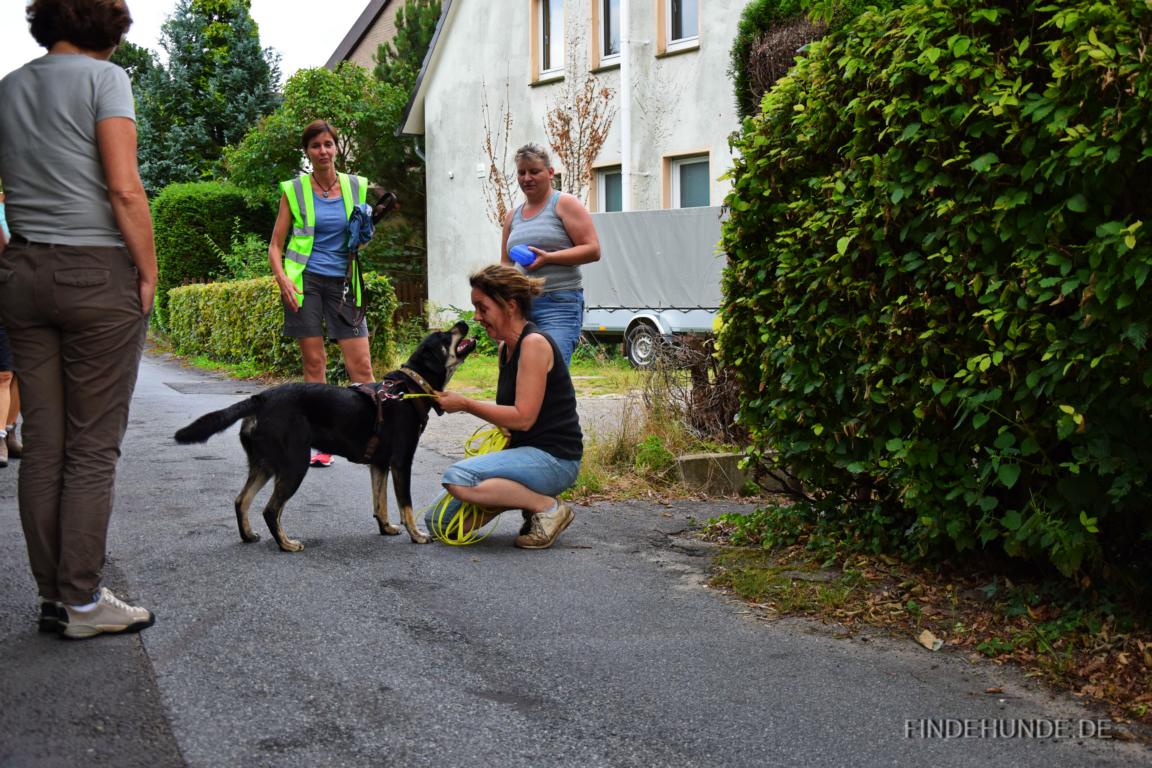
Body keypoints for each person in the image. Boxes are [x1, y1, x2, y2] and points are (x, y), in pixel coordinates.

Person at [0, 0, 157, 638]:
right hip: (95, 273)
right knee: (92, 447)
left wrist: (11, 259)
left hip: (24, 272)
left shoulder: (8, 88)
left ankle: (52, 597)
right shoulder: (105, 80)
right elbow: (124, 187)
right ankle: (83, 603)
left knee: (44, 444)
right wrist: (147, 270)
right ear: (107, 25)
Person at [436, 265, 583, 550]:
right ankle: (513, 496)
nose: (477, 317)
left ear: (510, 306)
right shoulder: (506, 348)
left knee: (458, 478)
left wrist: (466, 404)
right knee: (440, 526)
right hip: (524, 456)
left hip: (556, 460)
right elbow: (513, 418)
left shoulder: (534, 344)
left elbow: (523, 418)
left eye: (482, 307)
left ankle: (548, 508)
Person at [269, 119, 375, 467]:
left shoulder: (356, 186)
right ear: (308, 153)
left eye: (328, 144)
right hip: (306, 283)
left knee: (361, 365)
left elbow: (363, 235)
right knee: (314, 363)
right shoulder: (295, 190)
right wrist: (284, 279)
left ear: (336, 147)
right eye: (316, 146)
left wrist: (365, 233)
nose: (323, 151)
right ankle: (323, 444)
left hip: (345, 283)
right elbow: (275, 246)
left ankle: (374, 434)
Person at [501, 143, 601, 368]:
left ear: (550, 172)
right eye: (521, 172)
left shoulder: (563, 204)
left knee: (550, 371)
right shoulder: (512, 216)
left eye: (534, 171)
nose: (527, 178)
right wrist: (503, 302)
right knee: (521, 373)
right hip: (522, 306)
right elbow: (506, 265)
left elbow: (593, 249)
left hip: (559, 302)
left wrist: (549, 258)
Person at [0, 184, 22, 468]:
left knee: (16, 372)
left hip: (21, 297)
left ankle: (9, 430)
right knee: (4, 373)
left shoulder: (26, 207)